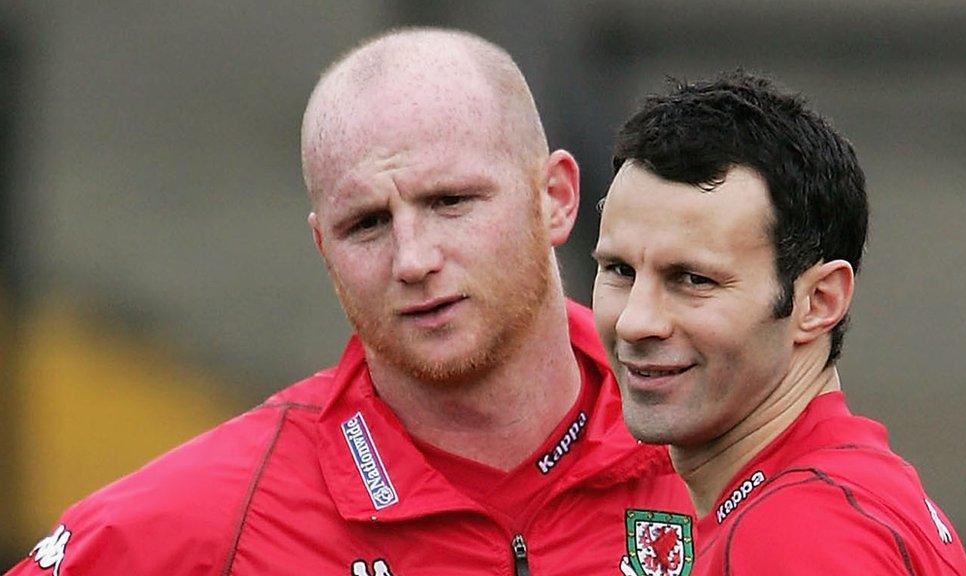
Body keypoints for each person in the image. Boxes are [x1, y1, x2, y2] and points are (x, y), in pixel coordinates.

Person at [6, 28, 692, 576]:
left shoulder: (741, 450)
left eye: (450, 202)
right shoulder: (209, 517)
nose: (414, 259)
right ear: (324, 252)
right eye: (366, 224)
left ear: (557, 199)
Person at [593, 72, 966, 575]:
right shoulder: (823, 498)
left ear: (818, 301)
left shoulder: (800, 535)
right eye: (620, 270)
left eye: (692, 279)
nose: (636, 321)